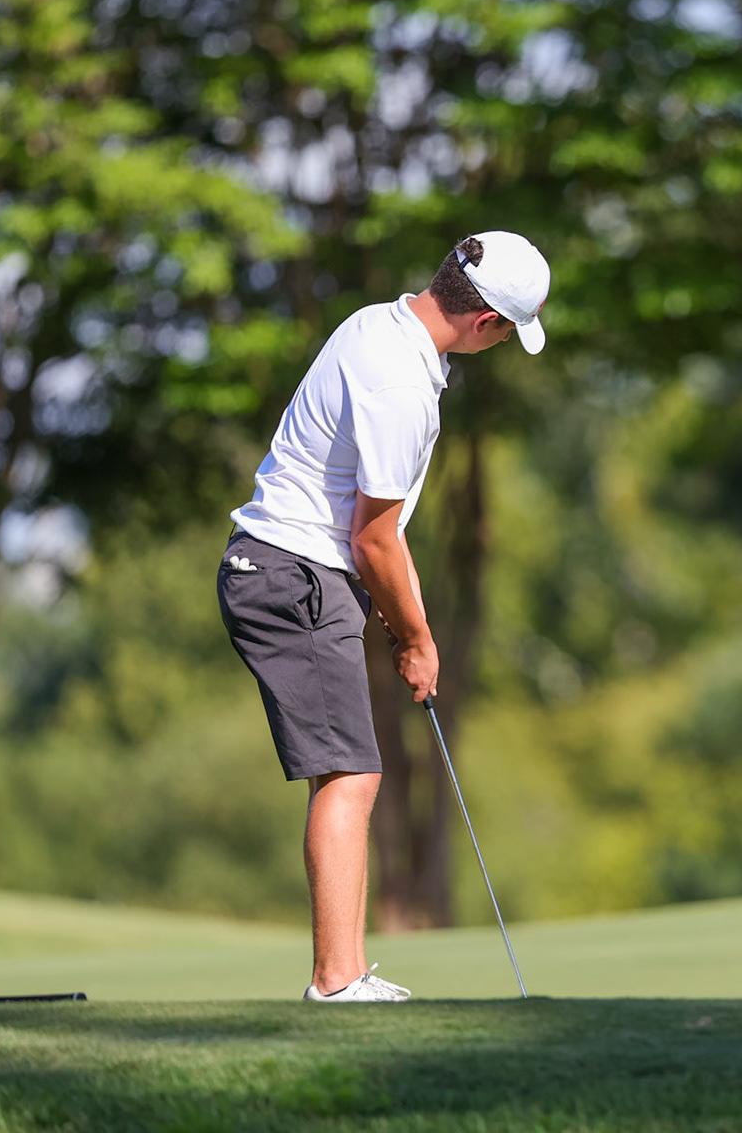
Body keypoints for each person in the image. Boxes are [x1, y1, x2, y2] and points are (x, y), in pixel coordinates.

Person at [217, 231, 549, 1002]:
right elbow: (374, 538)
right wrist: (419, 639)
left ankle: (349, 971)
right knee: (351, 773)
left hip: (285, 568)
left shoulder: (375, 322)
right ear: (488, 324)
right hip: (292, 573)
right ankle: (336, 981)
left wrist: (408, 628)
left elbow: (376, 540)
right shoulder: (401, 384)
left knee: (350, 771)